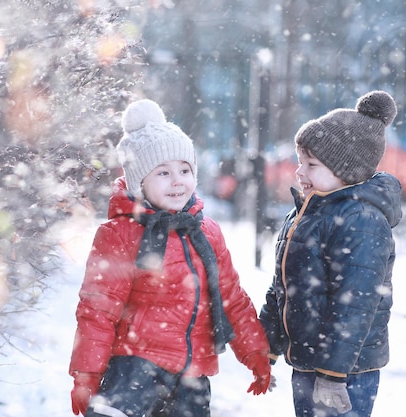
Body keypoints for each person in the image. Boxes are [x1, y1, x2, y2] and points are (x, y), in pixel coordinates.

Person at [69, 99, 272, 417]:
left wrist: (255, 351)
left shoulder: (207, 231)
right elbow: (98, 310)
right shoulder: (122, 233)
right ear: (139, 184)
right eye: (163, 172)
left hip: (193, 375)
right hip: (135, 369)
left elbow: (231, 296)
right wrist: (86, 373)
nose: (178, 180)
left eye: (185, 169)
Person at [258, 90, 402, 417]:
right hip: (309, 362)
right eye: (300, 162)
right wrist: (267, 346)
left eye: (311, 164)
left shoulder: (361, 221)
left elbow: (357, 302)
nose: (299, 172)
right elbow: (285, 288)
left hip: (347, 370)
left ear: (346, 172)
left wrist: (334, 373)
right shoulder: (305, 215)